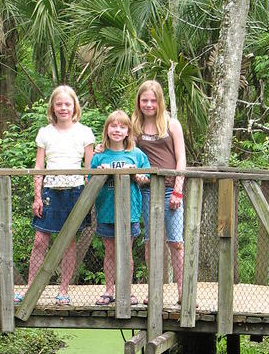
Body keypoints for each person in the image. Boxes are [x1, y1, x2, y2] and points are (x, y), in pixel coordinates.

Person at [15, 85, 94, 306]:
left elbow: (90, 169)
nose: (63, 108)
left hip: (75, 192)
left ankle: (63, 290)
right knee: (40, 240)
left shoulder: (85, 132)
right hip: (50, 191)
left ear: (74, 106)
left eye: (67, 104)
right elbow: (39, 166)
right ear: (53, 107)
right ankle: (31, 288)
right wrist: (37, 196)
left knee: (69, 242)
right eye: (59, 104)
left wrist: (88, 199)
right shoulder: (45, 133)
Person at [132, 79, 186, 304]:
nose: (149, 104)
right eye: (145, 100)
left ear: (159, 101)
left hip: (170, 190)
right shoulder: (134, 126)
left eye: (153, 100)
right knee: (150, 242)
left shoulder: (172, 124)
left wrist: (178, 190)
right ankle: (154, 292)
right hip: (146, 191)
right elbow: (127, 155)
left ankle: (185, 293)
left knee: (176, 241)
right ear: (139, 101)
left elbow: (181, 157)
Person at [89, 111, 150, 306]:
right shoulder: (99, 156)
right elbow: (89, 181)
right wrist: (99, 174)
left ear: (128, 132)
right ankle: (109, 290)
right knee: (109, 251)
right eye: (113, 126)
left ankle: (127, 290)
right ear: (107, 129)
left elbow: (146, 178)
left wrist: (138, 177)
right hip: (106, 210)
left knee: (127, 252)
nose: (117, 130)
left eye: (122, 127)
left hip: (129, 212)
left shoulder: (136, 154)